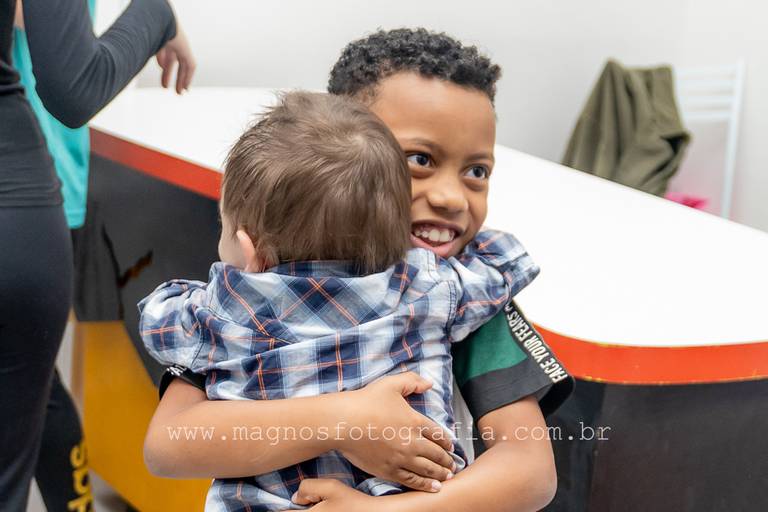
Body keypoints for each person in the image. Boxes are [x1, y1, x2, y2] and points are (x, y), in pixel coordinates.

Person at [144, 29, 572, 512]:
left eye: (477, 171)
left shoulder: (465, 294)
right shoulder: (251, 292)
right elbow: (169, 444)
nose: (452, 198)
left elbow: (528, 470)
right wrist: (344, 420)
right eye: (419, 160)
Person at [0, 0, 194, 509]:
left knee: (40, 393)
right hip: (19, 200)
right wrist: (155, 16)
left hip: (33, 191)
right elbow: (73, 82)